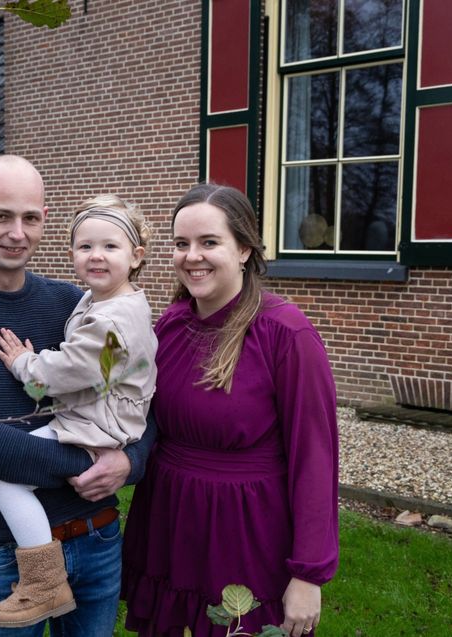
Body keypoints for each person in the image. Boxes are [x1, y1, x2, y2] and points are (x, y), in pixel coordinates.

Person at [0, 155, 156, 637]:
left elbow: (139, 397)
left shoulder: (76, 304)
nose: (17, 232)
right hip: (3, 554)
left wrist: (129, 462)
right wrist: (87, 464)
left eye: (30, 218)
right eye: (1, 216)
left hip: (95, 535)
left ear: (44, 220)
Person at [121, 183, 339, 637]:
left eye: (209, 242)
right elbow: (128, 401)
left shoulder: (286, 335)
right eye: (182, 244)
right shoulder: (170, 324)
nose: (191, 256)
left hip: (246, 532)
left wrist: (309, 574)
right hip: (169, 521)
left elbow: (315, 459)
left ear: (243, 249)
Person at [0, 195, 157, 627]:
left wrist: (23, 363)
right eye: (85, 247)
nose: (96, 256)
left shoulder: (110, 320)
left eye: (110, 247)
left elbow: (57, 375)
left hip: (97, 426)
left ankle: (44, 582)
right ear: (71, 256)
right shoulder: (110, 301)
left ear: (136, 256)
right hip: (105, 415)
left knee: (5, 479)